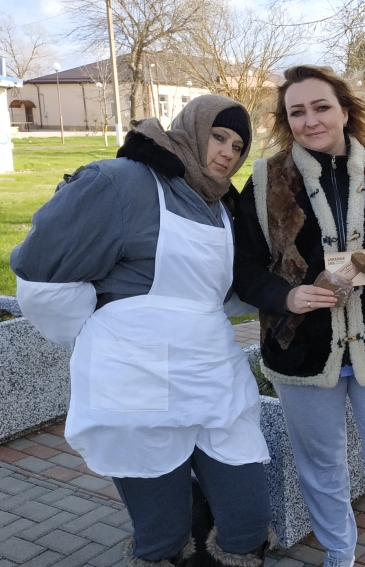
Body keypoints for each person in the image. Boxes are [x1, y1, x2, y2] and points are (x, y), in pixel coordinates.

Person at [12, 96, 273, 566]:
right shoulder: (121, 182)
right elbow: (41, 275)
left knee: (247, 520)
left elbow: (219, 294)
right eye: (219, 137)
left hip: (212, 373)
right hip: (136, 379)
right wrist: (102, 331)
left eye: (238, 146)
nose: (228, 153)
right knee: (162, 532)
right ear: (190, 130)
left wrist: (290, 290)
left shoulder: (220, 206)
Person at [231, 65, 365, 567]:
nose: (310, 120)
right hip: (301, 348)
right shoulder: (266, 179)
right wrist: (287, 297)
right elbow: (245, 268)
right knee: (320, 464)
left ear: (345, 111)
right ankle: (339, 552)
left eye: (321, 107)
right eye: (297, 112)